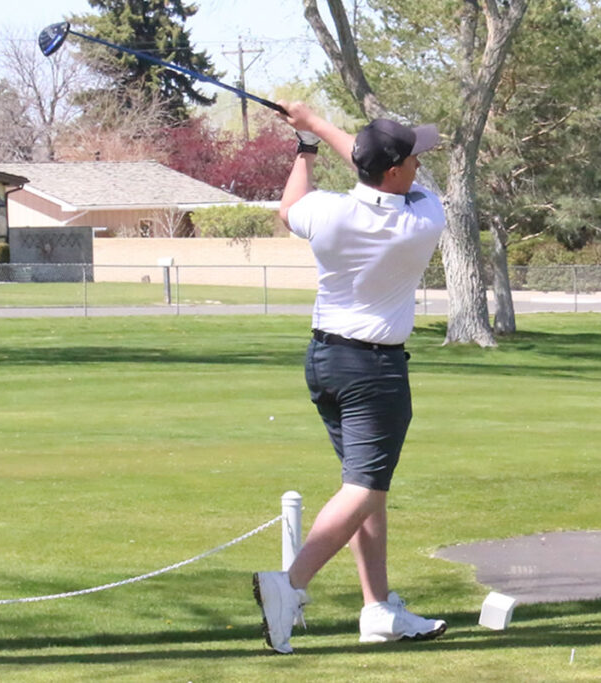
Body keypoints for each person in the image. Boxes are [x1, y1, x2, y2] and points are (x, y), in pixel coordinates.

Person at [252, 101, 448, 654]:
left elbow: (289, 207)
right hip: (375, 371)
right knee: (364, 486)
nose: (419, 165)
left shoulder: (330, 213)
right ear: (394, 173)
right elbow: (374, 170)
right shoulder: (422, 218)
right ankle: (287, 588)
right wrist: (317, 125)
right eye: (412, 158)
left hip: (325, 362)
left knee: (366, 490)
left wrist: (307, 143)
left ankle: (377, 608)